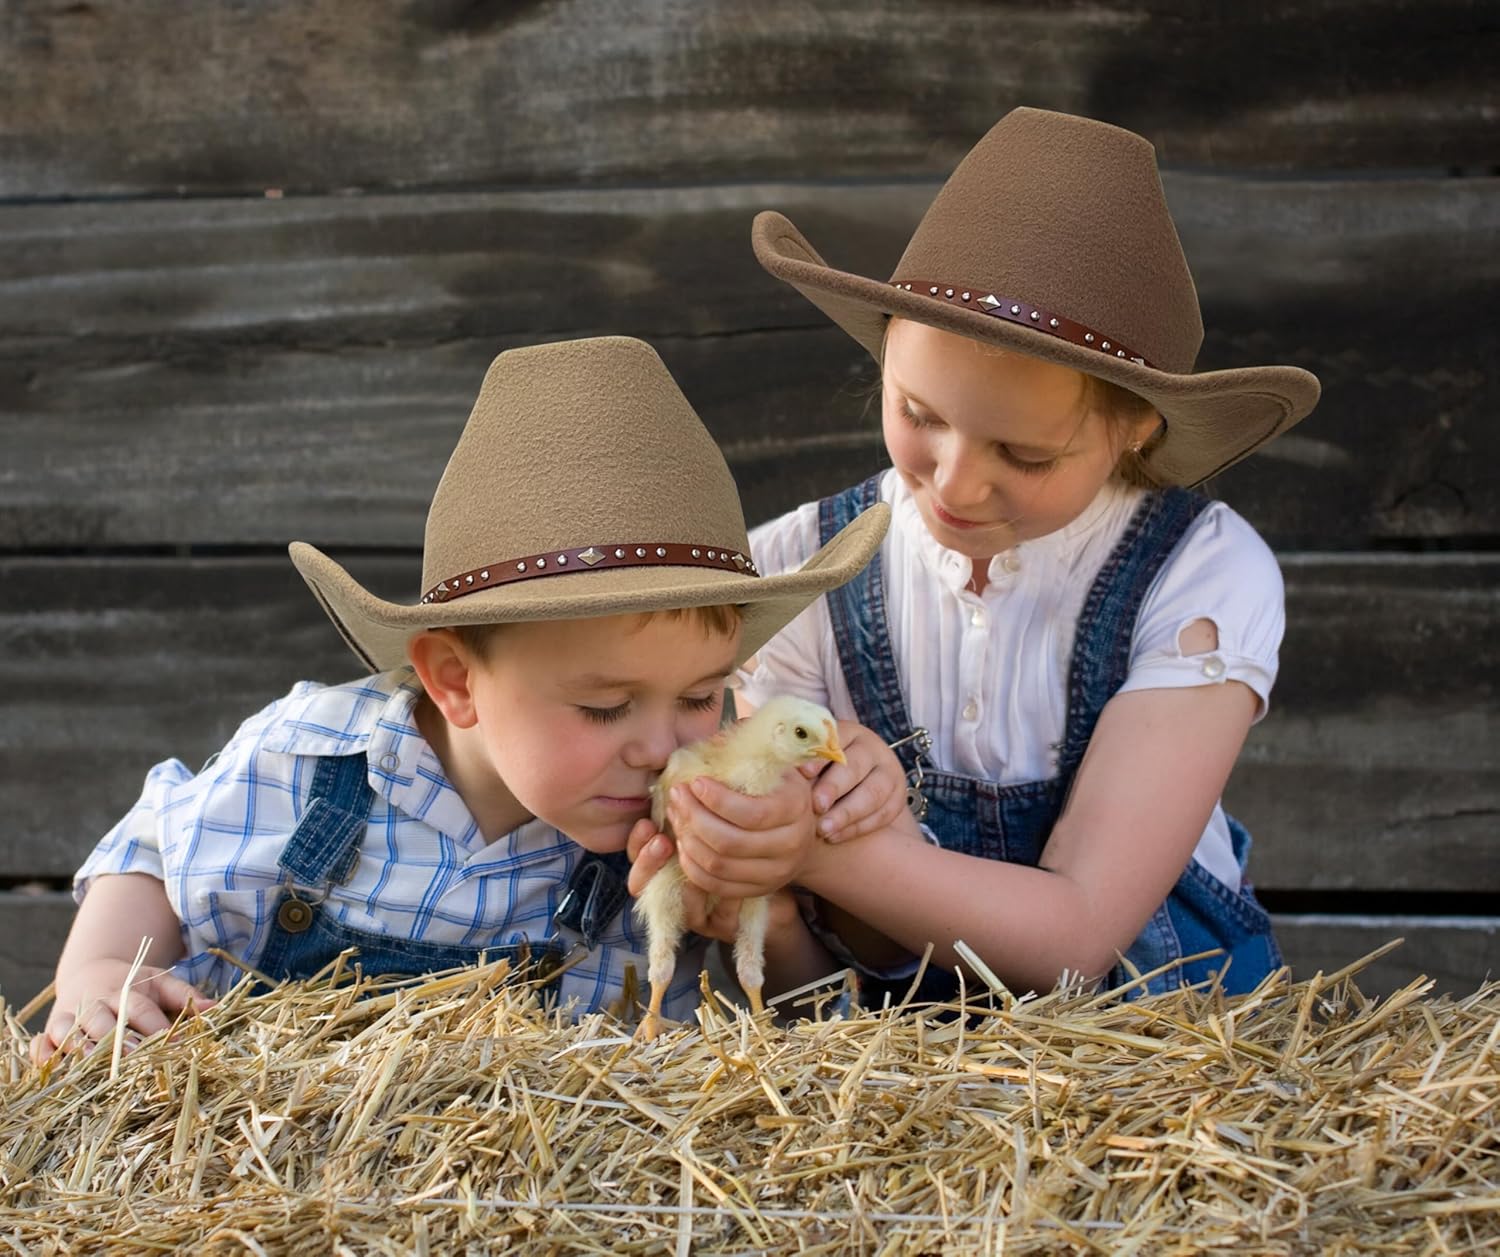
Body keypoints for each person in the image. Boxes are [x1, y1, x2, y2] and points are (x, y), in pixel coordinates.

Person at [30, 336, 890, 1063]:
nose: (663, 746)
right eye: (602, 707)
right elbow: (157, 838)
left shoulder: (702, 811)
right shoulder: (311, 762)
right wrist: (101, 967)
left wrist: (768, 908)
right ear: (454, 679)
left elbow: (812, 1046)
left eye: (704, 695)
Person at [632, 107, 1321, 1003]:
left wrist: (813, 844)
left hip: (1160, 1056)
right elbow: (815, 960)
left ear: (1133, 431)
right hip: (901, 1071)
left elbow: (1077, 938)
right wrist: (744, 847)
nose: (954, 485)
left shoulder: (1201, 576)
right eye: (919, 415)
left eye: (1024, 455)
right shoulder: (799, 568)